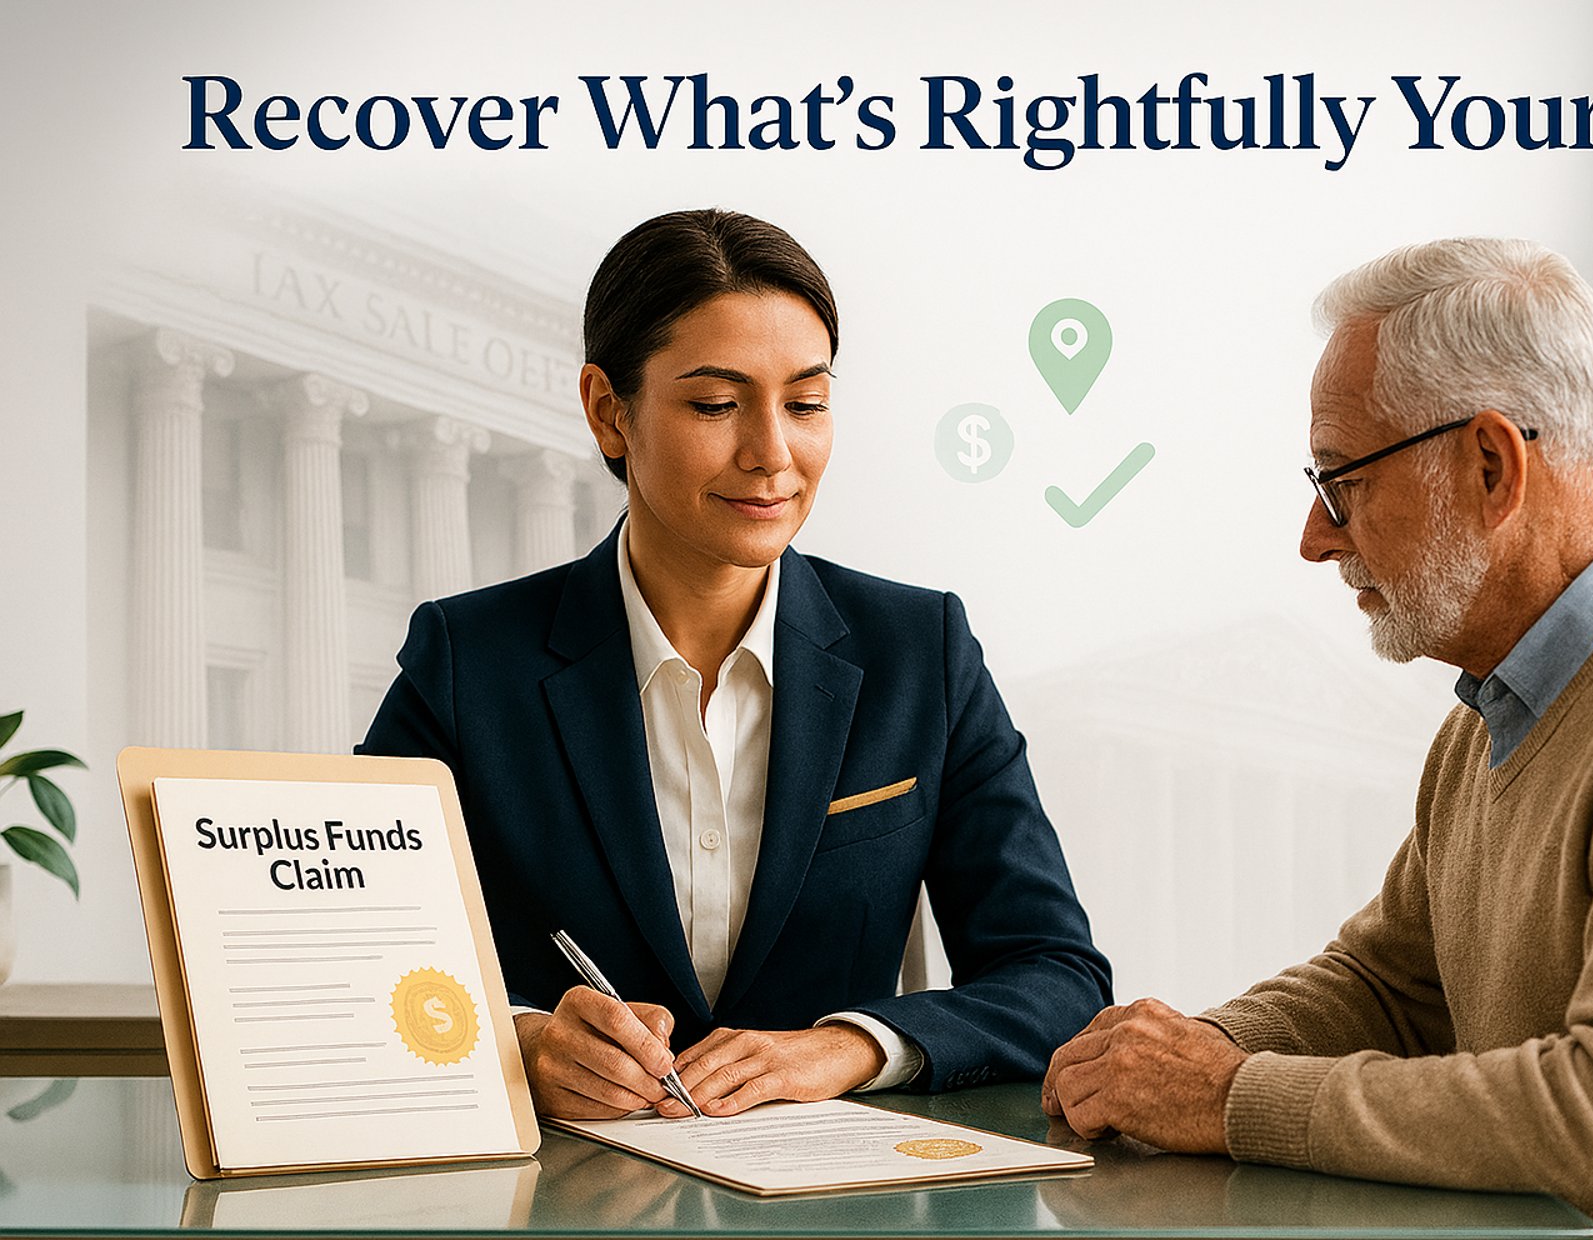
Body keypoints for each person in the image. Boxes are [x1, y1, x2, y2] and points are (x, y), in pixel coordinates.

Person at [1041, 238, 1593, 1235]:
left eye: (1342, 481)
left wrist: (1232, 1095)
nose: (1315, 535)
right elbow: (1390, 986)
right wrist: (1174, 1058)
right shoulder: (1508, 702)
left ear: (1492, 464)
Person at [361, 208, 1110, 1121]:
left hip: (834, 1208)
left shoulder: (922, 651)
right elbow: (359, 949)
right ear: (609, 412)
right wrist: (516, 1039)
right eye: (716, 404)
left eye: (805, 402)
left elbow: (1058, 976)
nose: (772, 455)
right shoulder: (467, 661)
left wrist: (849, 1047)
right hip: (565, 1203)